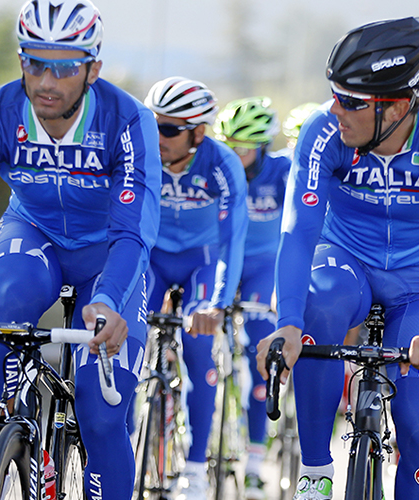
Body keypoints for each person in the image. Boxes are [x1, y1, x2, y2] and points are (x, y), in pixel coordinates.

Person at [0, 1, 162, 499]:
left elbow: (133, 233)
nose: (47, 81)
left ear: (93, 70)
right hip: (33, 235)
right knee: (14, 298)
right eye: (35, 63)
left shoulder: (127, 120)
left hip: (108, 255)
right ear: (21, 60)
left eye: (65, 68)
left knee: (102, 415)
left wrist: (108, 300)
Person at [255, 17, 419, 500]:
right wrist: (287, 323)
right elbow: (299, 233)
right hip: (347, 262)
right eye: (335, 95)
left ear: (398, 105)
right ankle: (314, 473)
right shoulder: (324, 131)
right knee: (320, 302)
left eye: (352, 101)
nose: (335, 109)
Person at [143, 76, 249, 499]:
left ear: (198, 132)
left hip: (201, 262)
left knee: (200, 344)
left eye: (169, 129)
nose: (157, 136)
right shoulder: (141, 152)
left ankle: (194, 467)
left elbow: (232, 240)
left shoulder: (221, 164)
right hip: (151, 257)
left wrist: (218, 304)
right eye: (153, 124)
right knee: (122, 341)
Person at [212, 96, 291, 499]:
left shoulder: (281, 171)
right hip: (223, 260)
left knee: (260, 355)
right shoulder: (217, 169)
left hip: (263, 267)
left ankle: (256, 463)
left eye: (243, 147)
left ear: (261, 146)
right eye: (229, 145)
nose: (235, 154)